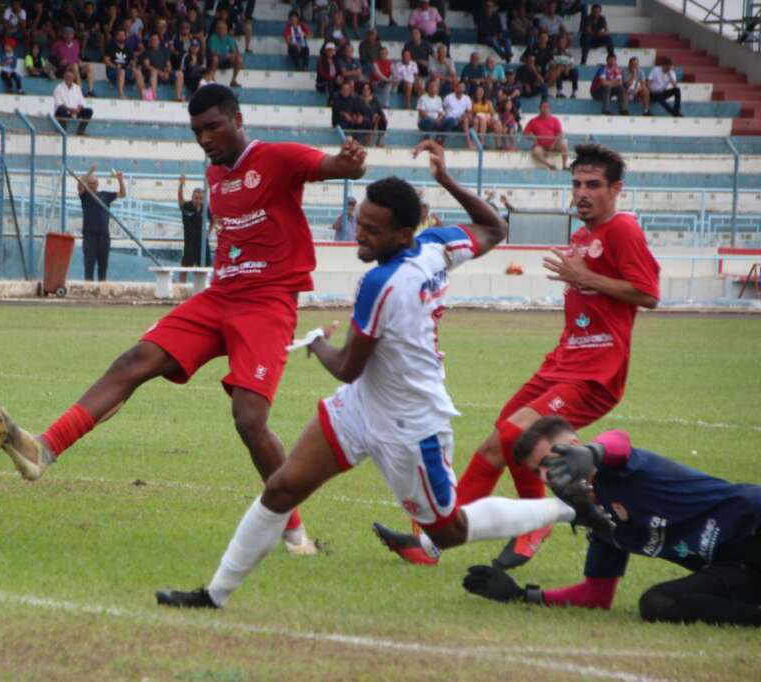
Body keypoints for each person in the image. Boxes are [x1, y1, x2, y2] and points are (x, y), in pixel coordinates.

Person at [153, 145, 613, 610]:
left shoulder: (382, 284)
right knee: (281, 488)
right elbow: (494, 228)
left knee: (447, 532)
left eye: (373, 230)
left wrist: (315, 343)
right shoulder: (436, 245)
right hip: (359, 406)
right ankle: (214, 595)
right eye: (360, 221)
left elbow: (348, 365)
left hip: (410, 423)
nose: (361, 235)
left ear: (401, 233)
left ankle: (567, 509)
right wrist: (448, 180)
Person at [0, 84, 367, 559]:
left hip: (267, 303)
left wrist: (351, 163)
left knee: (249, 419)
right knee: (134, 360)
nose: (205, 138)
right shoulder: (213, 174)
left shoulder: (275, 157)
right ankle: (45, 448)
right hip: (219, 296)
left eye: (213, 127)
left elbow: (331, 166)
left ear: (237, 119)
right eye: (197, 131)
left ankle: (294, 535)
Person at [375, 144, 660, 570]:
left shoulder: (623, 230)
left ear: (615, 189)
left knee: (514, 437)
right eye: (577, 183)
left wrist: (586, 277)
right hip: (562, 362)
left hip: (596, 371)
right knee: (495, 446)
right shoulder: (583, 234)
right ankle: (433, 541)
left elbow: (649, 294)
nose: (582, 192)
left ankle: (536, 524)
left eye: (593, 185)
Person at [463, 416, 761, 627]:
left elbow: (619, 441)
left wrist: (593, 453)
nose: (545, 477)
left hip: (753, 520)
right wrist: (522, 595)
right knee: (656, 604)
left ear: (574, 447)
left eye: (546, 463)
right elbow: (597, 596)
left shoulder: (620, 470)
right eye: (535, 472)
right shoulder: (598, 520)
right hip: (737, 567)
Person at [76, 164, 124, 281]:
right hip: (89, 235)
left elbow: (122, 194)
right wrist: (89, 172)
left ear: (97, 184)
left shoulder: (105, 195)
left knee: (103, 264)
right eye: (90, 183)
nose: (92, 185)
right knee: (89, 263)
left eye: (94, 183)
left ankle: (102, 285)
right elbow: (80, 186)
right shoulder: (85, 196)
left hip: (103, 235)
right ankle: (88, 287)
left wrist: (120, 180)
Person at [177, 173, 211, 281]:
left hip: (202, 242)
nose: (198, 201)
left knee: (204, 267)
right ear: (192, 197)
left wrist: (208, 233)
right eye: (196, 198)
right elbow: (180, 199)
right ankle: (181, 286)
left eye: (200, 198)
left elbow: (213, 221)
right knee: (185, 267)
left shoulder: (205, 208)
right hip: (189, 242)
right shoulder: (187, 206)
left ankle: (202, 288)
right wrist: (181, 185)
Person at [523, 100, 568, 170]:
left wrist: (554, 143)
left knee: (564, 146)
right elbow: (526, 133)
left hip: (554, 145)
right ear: (540, 109)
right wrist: (532, 137)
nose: (545, 109)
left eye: (547, 107)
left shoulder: (554, 120)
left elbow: (560, 133)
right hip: (540, 146)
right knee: (536, 152)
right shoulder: (533, 121)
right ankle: (549, 165)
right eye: (543, 107)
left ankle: (564, 165)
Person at [142, 33, 186, 102]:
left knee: (180, 74)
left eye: (156, 39)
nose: (154, 41)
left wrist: (167, 72)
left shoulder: (164, 51)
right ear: (150, 41)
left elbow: (168, 65)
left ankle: (178, 97)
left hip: (164, 73)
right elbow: (147, 65)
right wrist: (160, 72)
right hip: (153, 75)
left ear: (159, 41)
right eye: (153, 40)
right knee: (154, 72)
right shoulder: (146, 51)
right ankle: (154, 96)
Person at [104, 27, 145, 99]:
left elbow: (132, 62)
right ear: (116, 36)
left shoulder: (128, 49)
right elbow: (106, 61)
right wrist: (115, 66)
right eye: (119, 35)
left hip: (125, 72)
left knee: (137, 71)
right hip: (112, 71)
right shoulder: (110, 47)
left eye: (123, 35)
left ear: (125, 37)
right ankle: (121, 94)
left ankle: (143, 95)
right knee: (122, 71)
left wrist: (133, 67)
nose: (121, 37)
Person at [207, 20, 243, 88]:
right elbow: (212, 52)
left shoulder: (229, 37)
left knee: (239, 59)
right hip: (217, 60)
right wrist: (224, 55)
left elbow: (234, 51)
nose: (222, 30)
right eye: (220, 28)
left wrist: (233, 55)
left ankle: (233, 80)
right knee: (215, 59)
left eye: (224, 28)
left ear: (226, 30)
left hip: (227, 60)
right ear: (217, 29)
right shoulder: (213, 38)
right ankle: (212, 78)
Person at [442, 81, 473, 148]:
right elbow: (442, 109)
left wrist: (465, 116)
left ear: (464, 89)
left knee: (466, 119)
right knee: (457, 120)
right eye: (459, 87)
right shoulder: (448, 97)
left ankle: (470, 143)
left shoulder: (467, 98)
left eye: (463, 87)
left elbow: (469, 112)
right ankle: (469, 143)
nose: (461, 89)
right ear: (455, 88)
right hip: (450, 120)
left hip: (462, 120)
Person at [359, 82, 388, 147]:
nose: (366, 91)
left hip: (375, 118)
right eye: (364, 89)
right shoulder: (359, 100)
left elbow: (379, 110)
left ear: (370, 90)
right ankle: (368, 140)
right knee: (370, 120)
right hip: (365, 118)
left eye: (367, 89)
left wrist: (383, 117)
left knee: (382, 120)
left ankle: (378, 141)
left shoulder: (374, 99)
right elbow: (360, 111)